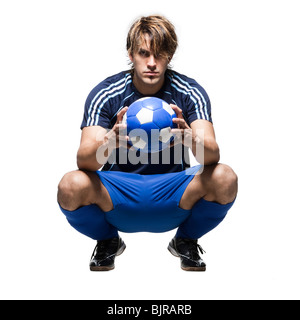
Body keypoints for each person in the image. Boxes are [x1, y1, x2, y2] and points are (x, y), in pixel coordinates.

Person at [57, 15, 238, 272]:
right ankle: (107, 241)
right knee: (70, 184)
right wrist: (109, 141)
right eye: (144, 53)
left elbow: (211, 156)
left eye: (160, 55)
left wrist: (190, 137)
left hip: (172, 193)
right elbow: (84, 162)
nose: (152, 63)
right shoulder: (107, 92)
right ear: (131, 54)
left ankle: (185, 240)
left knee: (225, 177)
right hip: (119, 194)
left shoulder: (188, 91)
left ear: (169, 56)